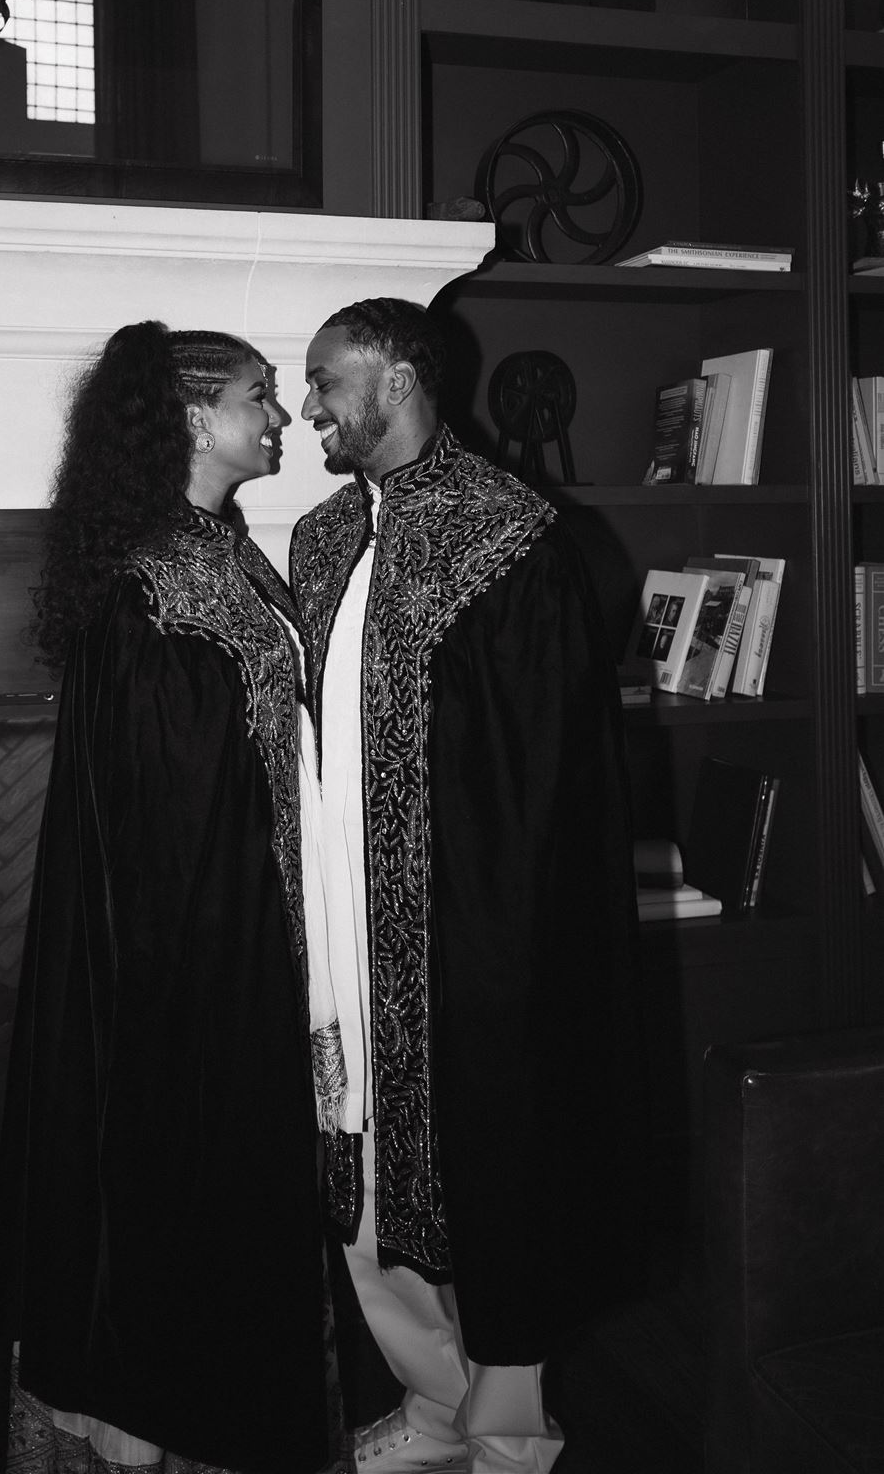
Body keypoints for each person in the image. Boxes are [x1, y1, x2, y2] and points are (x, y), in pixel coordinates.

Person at [289, 298, 646, 1474]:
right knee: (363, 1168)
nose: (309, 405)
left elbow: (548, 775)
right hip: (341, 915)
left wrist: (507, 943)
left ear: (395, 375)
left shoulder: (515, 538)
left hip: (468, 927)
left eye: (327, 378)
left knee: (493, 1171)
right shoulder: (324, 535)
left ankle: (509, 1429)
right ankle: (433, 1395)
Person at [0, 321, 342, 1474]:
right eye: (260, 396)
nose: (281, 418)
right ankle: (162, 1427)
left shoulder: (220, 549)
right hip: (187, 950)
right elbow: (161, 814)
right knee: (177, 1174)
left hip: (244, 921)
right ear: (193, 415)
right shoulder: (157, 581)